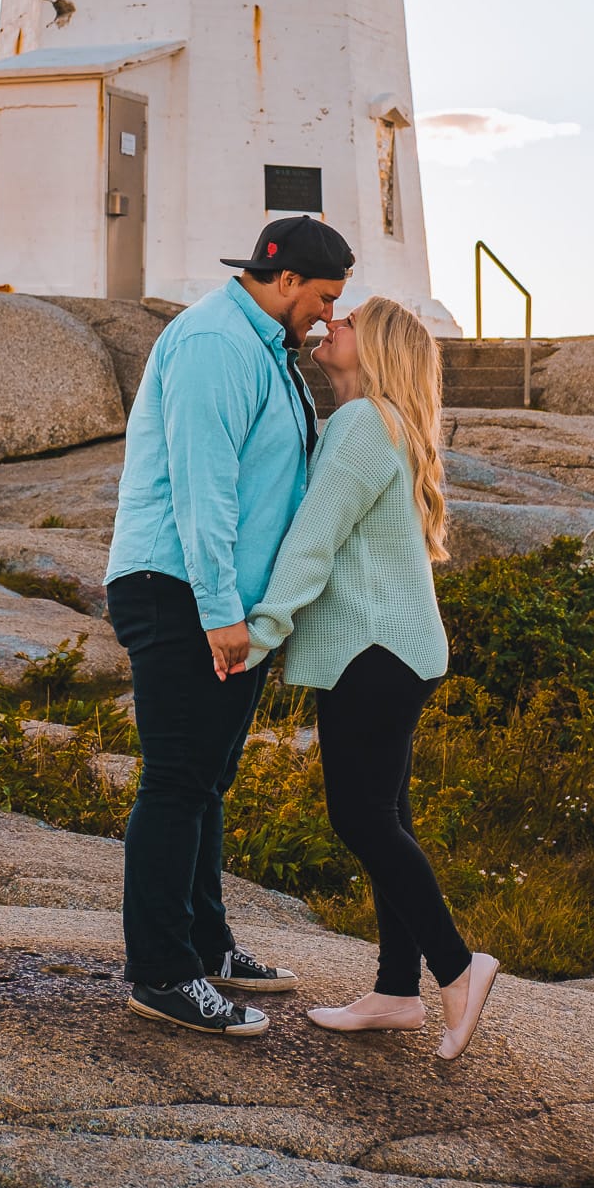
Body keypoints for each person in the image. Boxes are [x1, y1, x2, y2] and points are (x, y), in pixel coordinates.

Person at [104, 214, 355, 1038]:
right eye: (321, 298)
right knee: (176, 783)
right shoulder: (215, 343)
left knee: (206, 784)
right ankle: (162, 974)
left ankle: (206, 946)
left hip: (222, 602)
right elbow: (201, 490)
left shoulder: (262, 346)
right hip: (179, 591)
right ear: (284, 281)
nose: (324, 316)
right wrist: (220, 614)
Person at [239, 296, 499, 1061]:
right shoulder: (384, 423)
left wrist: (259, 634)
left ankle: (457, 966)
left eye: (344, 321)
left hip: (371, 651)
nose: (328, 325)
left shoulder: (360, 424)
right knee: (388, 816)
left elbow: (313, 540)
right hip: (392, 650)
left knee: (361, 820)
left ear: (375, 347)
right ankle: (394, 991)